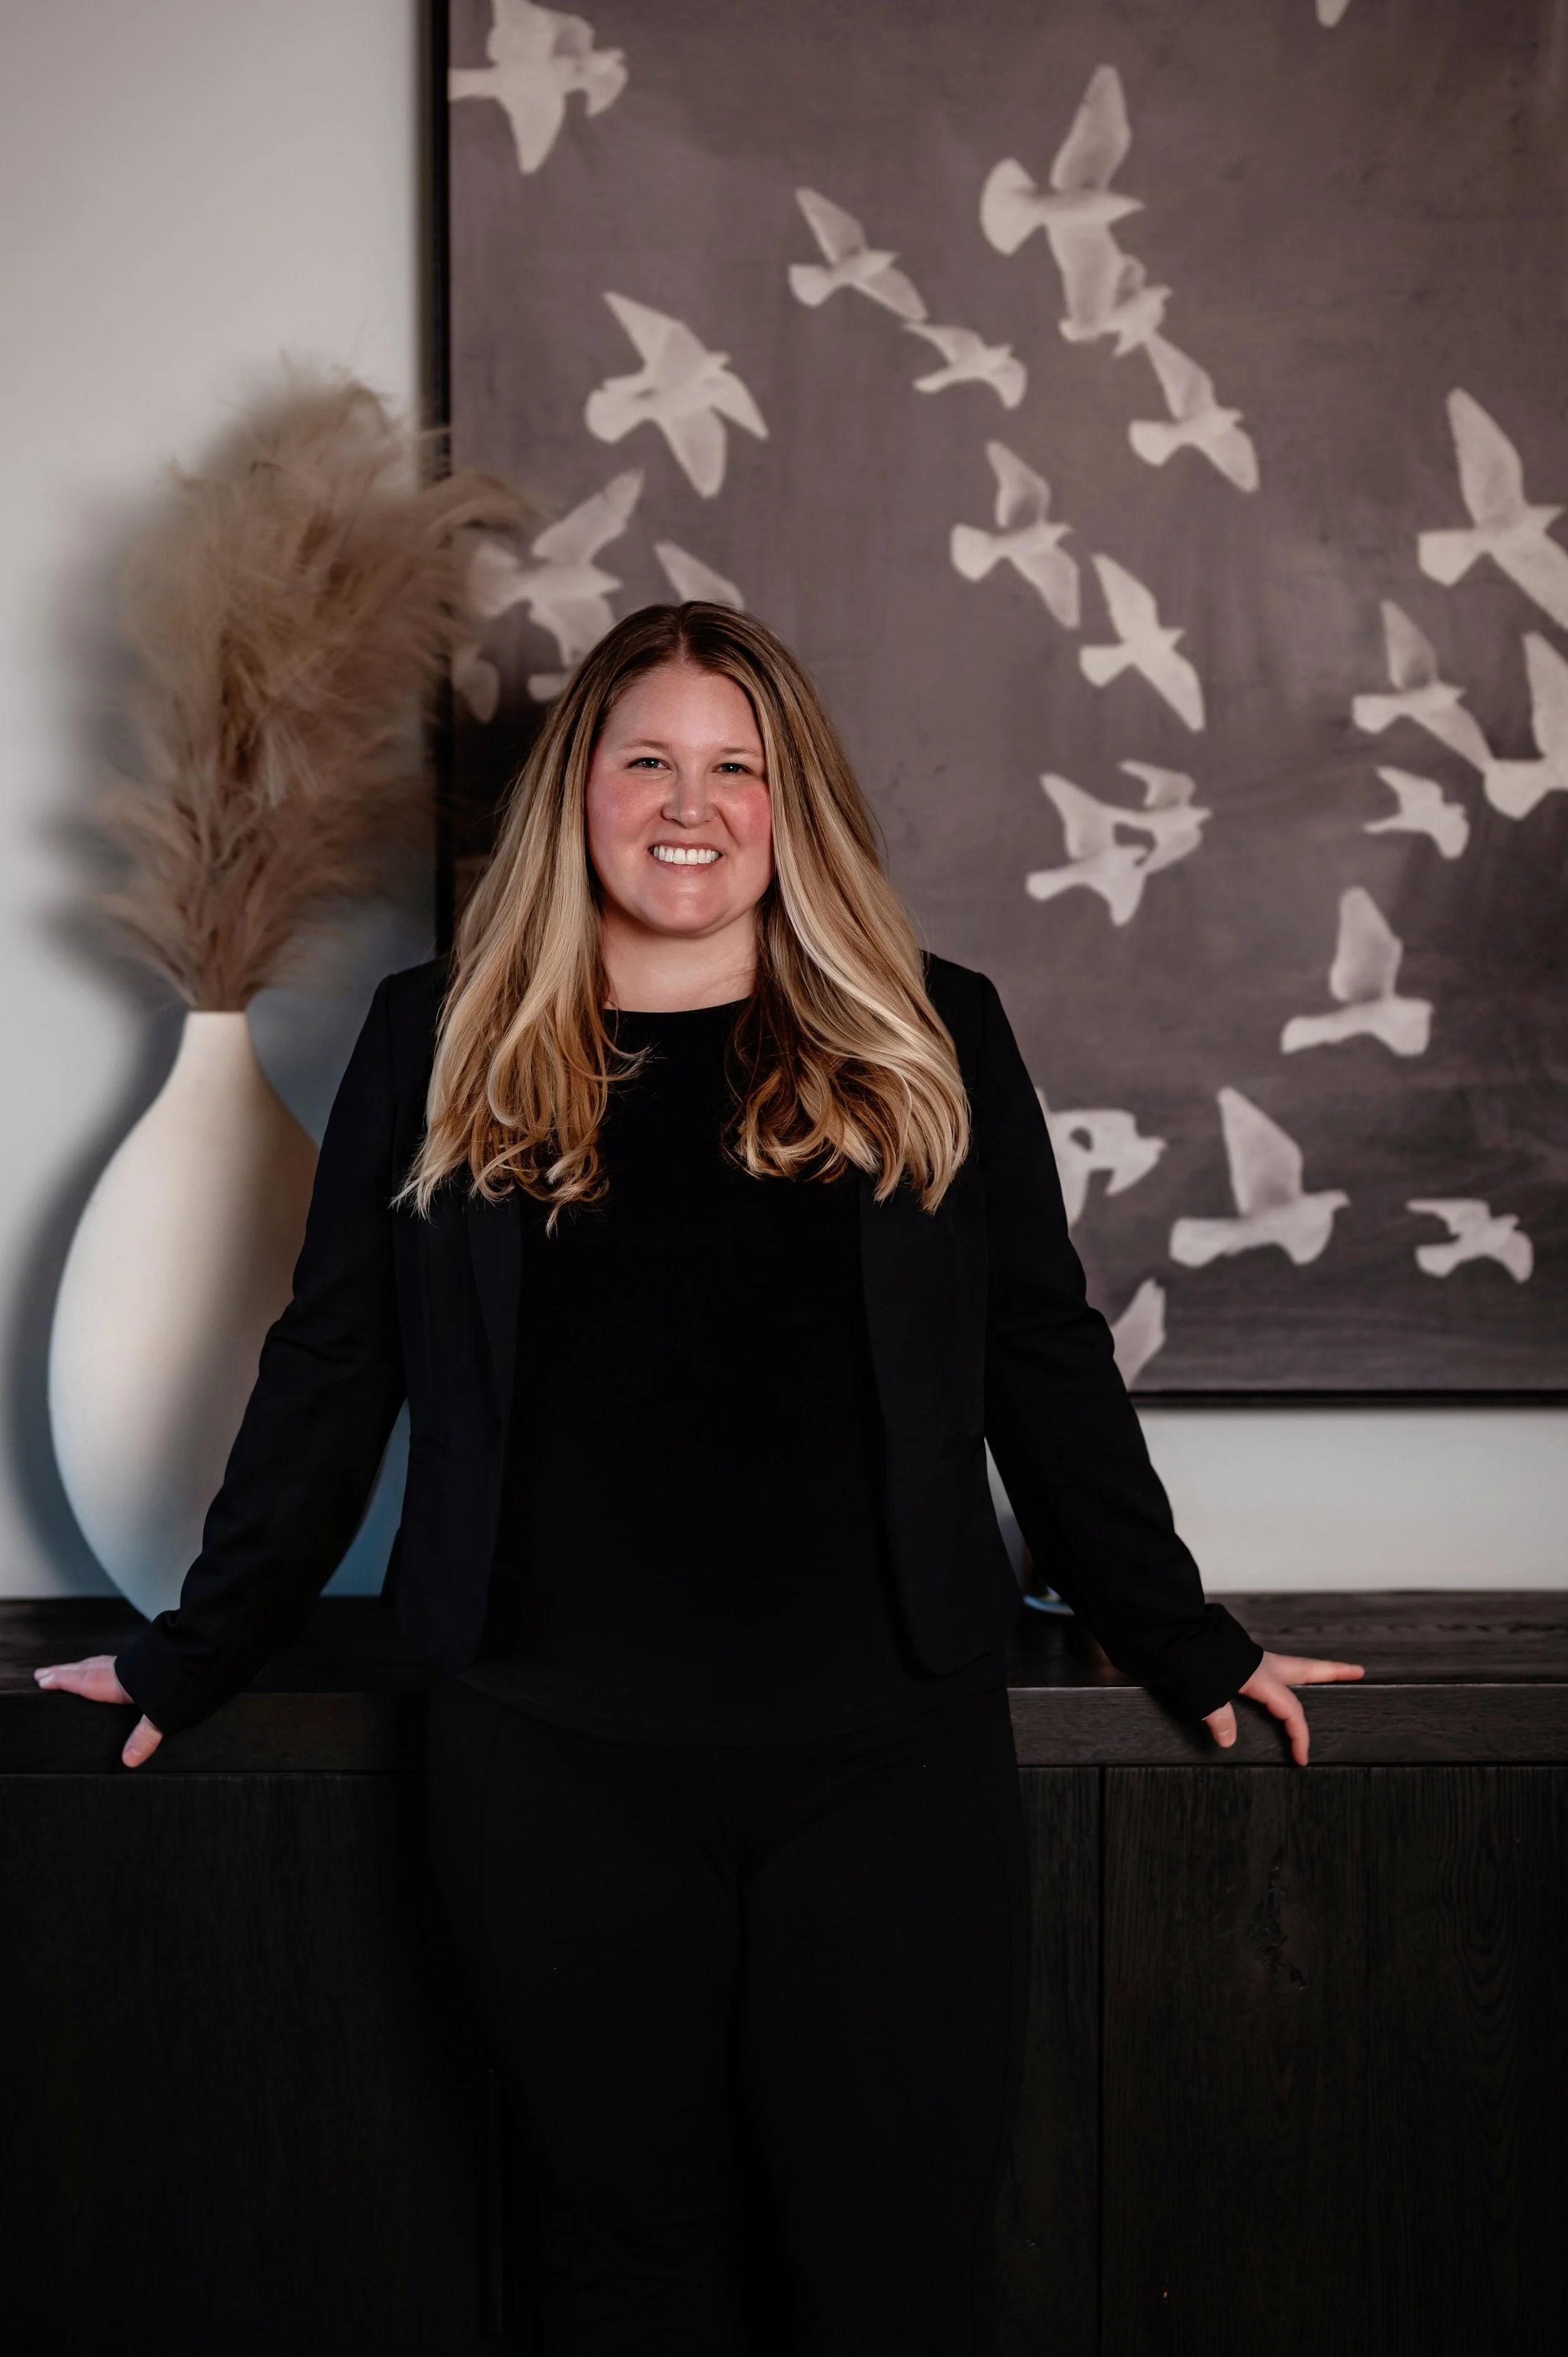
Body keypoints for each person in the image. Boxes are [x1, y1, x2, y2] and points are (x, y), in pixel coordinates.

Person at [38, 603, 1362, 2353]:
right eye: (646, 757)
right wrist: (192, 1648)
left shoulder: (930, 1026)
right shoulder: (438, 1034)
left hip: (887, 1764)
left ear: (788, 799)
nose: (692, 800)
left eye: (735, 764)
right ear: (577, 794)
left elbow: (1040, 1357)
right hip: (549, 1766)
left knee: (894, 2280)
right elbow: (331, 1368)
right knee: (626, 2278)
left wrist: (1182, 1636)